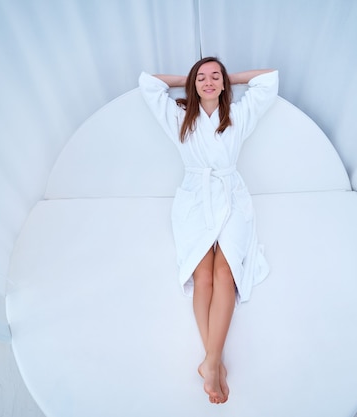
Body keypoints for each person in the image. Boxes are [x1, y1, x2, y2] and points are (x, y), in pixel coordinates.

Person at [139, 57, 278, 404]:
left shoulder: (239, 115)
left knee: (224, 273)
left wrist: (229, 77)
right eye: (201, 77)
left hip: (231, 196)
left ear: (225, 83)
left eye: (216, 76)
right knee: (203, 276)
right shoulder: (179, 118)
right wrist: (187, 80)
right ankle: (213, 360)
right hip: (194, 201)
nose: (209, 81)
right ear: (193, 85)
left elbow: (268, 80)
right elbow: (149, 83)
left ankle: (211, 361)